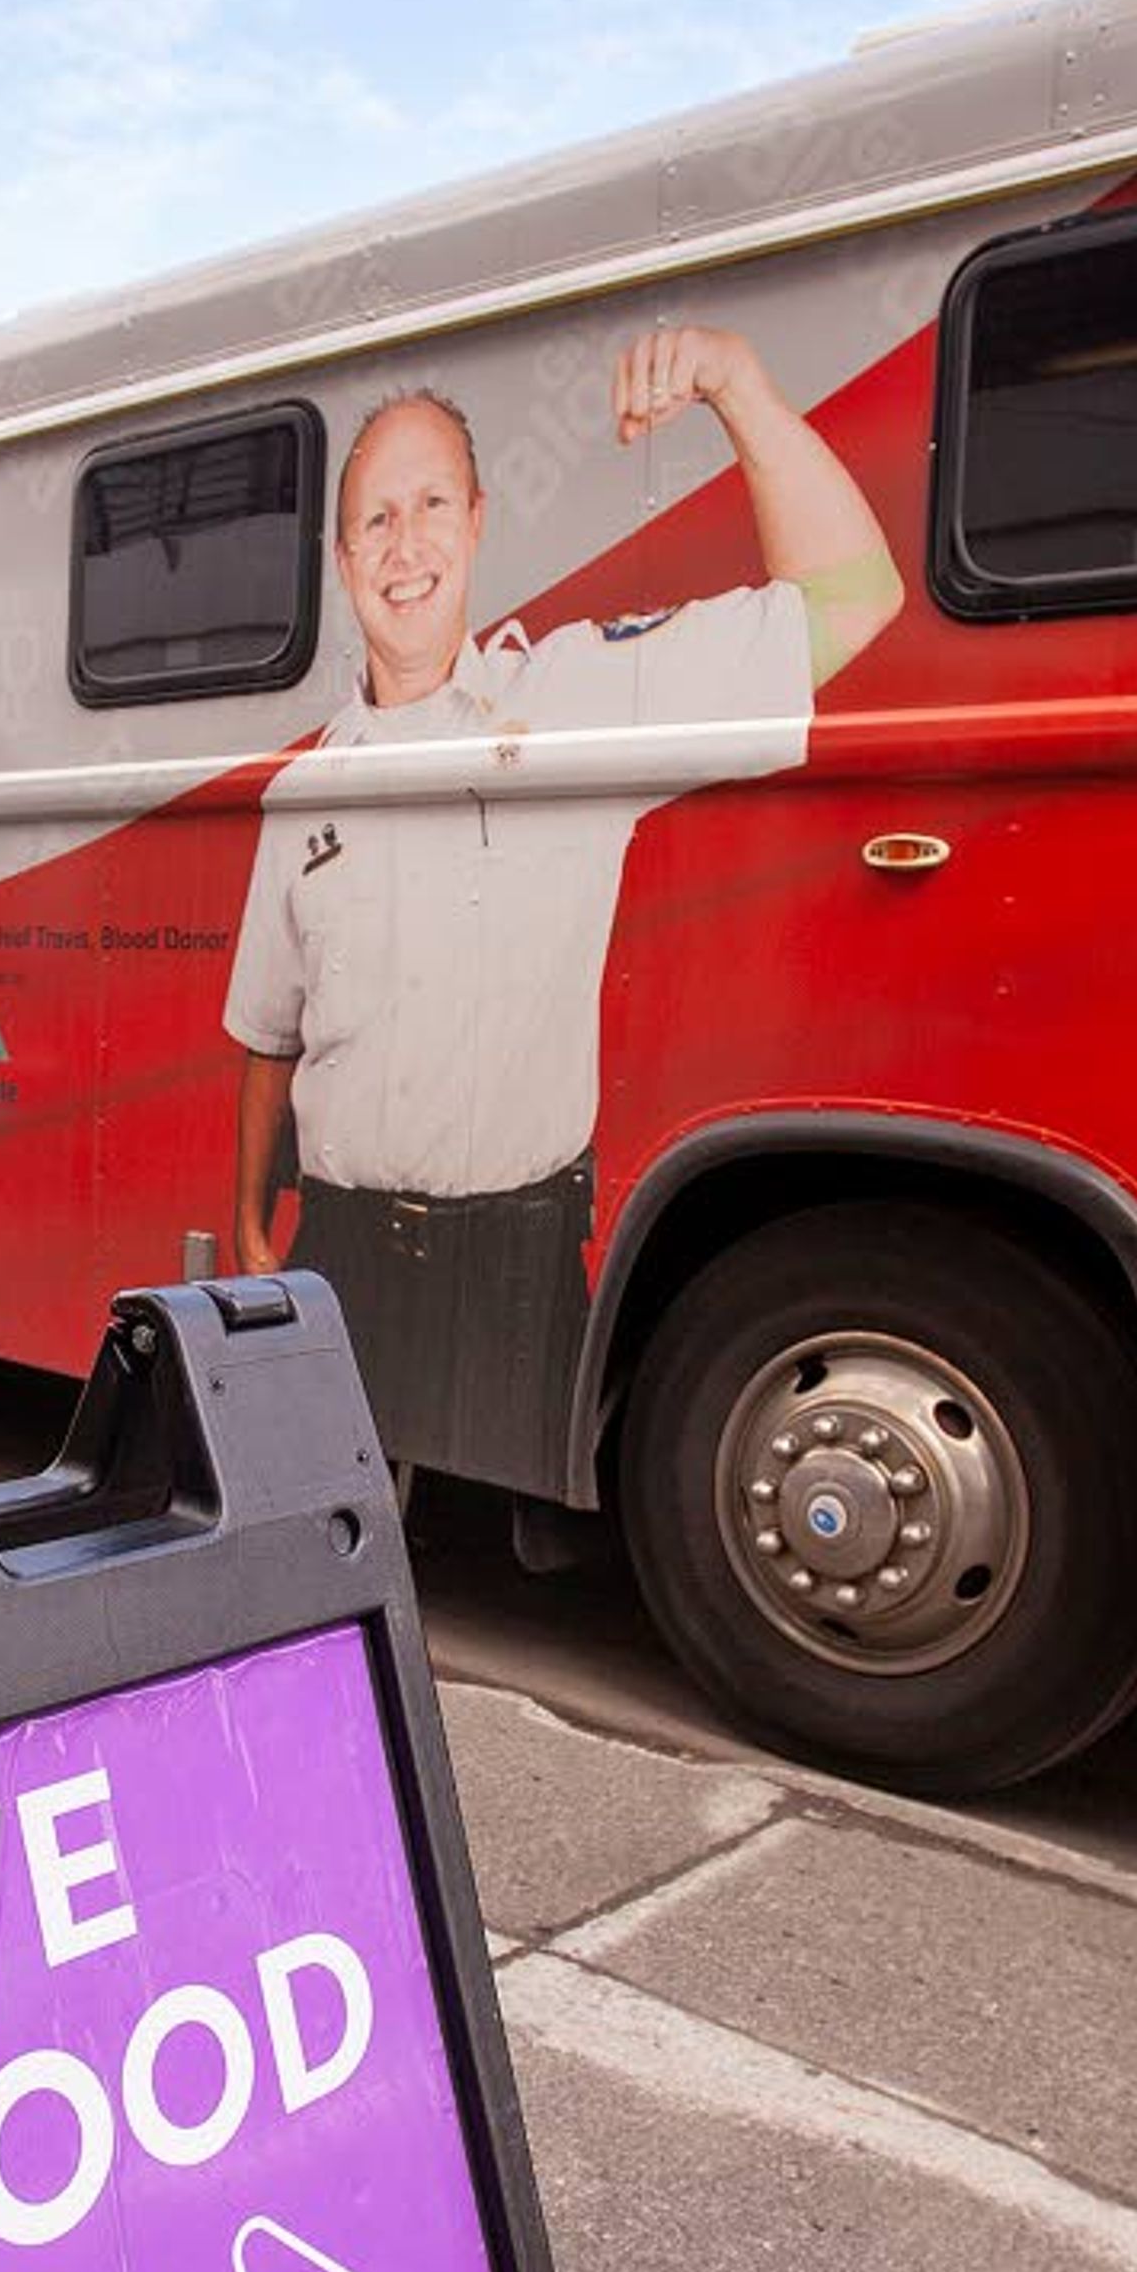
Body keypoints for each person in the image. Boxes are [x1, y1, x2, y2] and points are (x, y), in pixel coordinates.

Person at [222, 324, 902, 1486]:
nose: (406, 543)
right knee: (334, 1566)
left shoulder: (584, 698)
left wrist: (739, 382)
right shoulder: (302, 794)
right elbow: (270, 1039)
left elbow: (853, 596)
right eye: (376, 519)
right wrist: (245, 1231)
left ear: (479, 522)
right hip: (337, 1259)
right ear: (342, 559)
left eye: (431, 502)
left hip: (515, 1274)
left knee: (485, 1587)